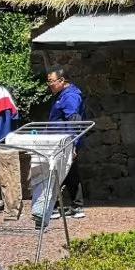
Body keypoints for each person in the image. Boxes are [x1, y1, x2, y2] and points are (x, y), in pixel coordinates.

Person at [46, 67, 87, 219]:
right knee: (68, 173)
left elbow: (74, 121)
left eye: (51, 81)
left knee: (60, 172)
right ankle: (75, 207)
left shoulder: (70, 96)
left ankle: (62, 207)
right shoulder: (62, 95)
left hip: (65, 141)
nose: (49, 84)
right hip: (60, 140)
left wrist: (74, 144)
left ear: (62, 80)